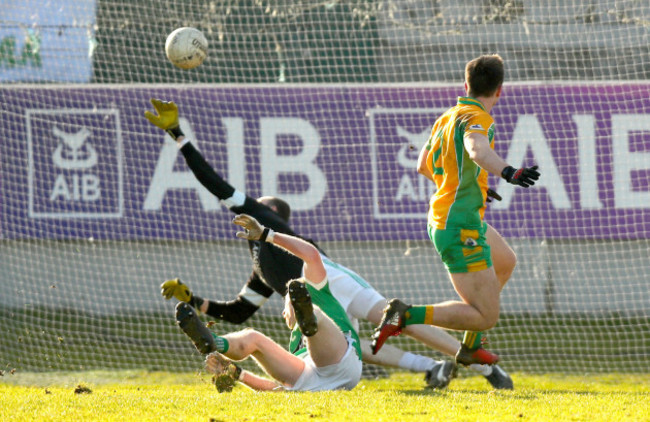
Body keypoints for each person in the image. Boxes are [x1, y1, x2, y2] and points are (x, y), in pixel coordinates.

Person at [144, 97, 513, 389]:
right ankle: (435, 367)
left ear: (273, 213)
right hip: (319, 296)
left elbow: (213, 181)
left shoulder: (267, 222)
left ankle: (480, 367)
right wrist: (191, 299)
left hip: (331, 282)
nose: (259, 203)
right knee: (351, 349)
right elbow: (239, 310)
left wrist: (178, 134)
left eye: (265, 204)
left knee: (396, 320)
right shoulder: (260, 265)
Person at [371, 54, 539, 384]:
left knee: (505, 261)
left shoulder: (447, 117)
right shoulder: (479, 118)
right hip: (458, 225)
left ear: (466, 85)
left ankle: (471, 348)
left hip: (451, 215)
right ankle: (406, 315)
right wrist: (509, 172)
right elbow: (476, 150)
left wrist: (472, 184)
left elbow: (423, 164)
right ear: (500, 91)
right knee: (486, 315)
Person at [175, 213, 362, 392]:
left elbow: (311, 255)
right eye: (294, 302)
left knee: (317, 315)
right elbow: (279, 390)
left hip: (342, 363)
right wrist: (235, 373)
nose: (285, 311)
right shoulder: (295, 346)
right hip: (309, 377)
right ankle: (213, 341)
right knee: (252, 338)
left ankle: (311, 318)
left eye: (292, 301)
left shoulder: (319, 292)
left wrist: (267, 235)